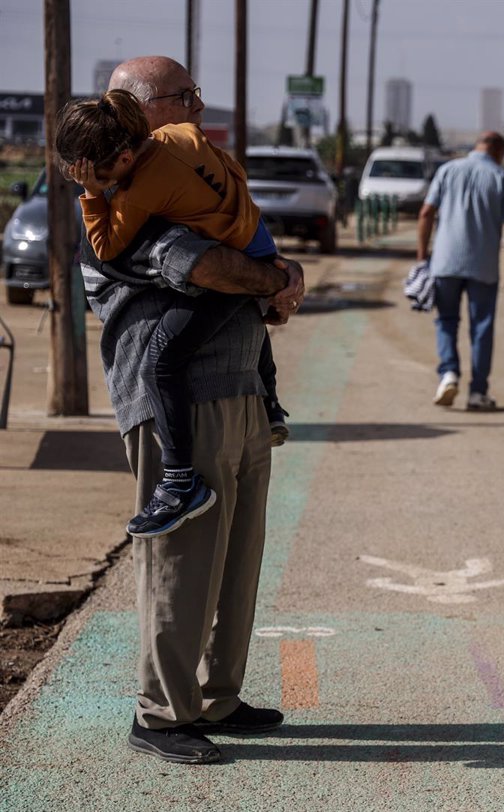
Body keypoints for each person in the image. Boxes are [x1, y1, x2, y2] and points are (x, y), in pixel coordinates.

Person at [82, 55, 304, 765]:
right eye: (183, 96)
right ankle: (161, 714)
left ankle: (217, 698)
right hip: (180, 404)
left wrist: (273, 279)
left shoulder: (182, 174)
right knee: (182, 562)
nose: (198, 107)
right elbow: (206, 266)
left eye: (196, 94)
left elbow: (239, 250)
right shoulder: (124, 199)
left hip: (240, 390)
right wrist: (276, 278)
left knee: (235, 564)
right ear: (134, 110)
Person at [56, 89, 289, 539]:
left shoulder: (138, 191)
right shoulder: (176, 134)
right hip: (255, 238)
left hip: (231, 258)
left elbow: (105, 246)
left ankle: (181, 481)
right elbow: (230, 167)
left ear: (124, 159)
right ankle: (272, 403)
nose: (107, 184)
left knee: (161, 360)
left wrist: (91, 195)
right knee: (247, 308)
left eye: (104, 175)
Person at [417, 131, 504, 410]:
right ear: (499, 152)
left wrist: (421, 258)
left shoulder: (447, 170)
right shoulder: (502, 177)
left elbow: (426, 213)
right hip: (484, 266)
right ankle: (478, 393)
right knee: (482, 328)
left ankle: (449, 374)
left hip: (445, 263)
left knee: (446, 321)